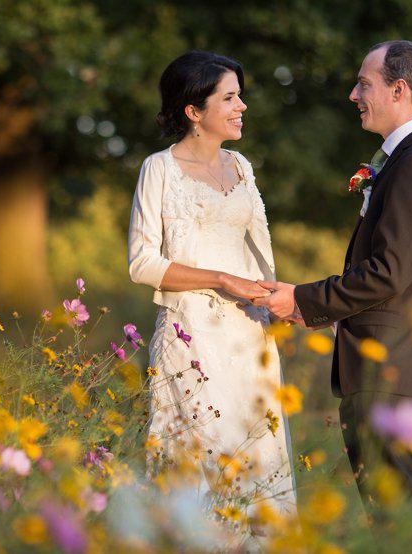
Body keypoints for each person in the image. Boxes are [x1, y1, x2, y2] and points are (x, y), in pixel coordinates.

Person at [253, 40, 412, 509]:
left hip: (393, 375)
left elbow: (388, 273)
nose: (352, 94)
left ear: (398, 90)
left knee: (399, 525)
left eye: (364, 84)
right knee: (396, 524)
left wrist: (303, 300)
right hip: (395, 373)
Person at [127, 51, 297, 518]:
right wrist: (222, 279)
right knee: (199, 463)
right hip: (191, 337)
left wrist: (288, 301)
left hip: (249, 339)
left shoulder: (241, 166)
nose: (242, 105)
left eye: (240, 96)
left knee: (260, 461)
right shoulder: (158, 169)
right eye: (229, 97)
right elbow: (142, 263)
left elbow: (261, 254)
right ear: (194, 111)